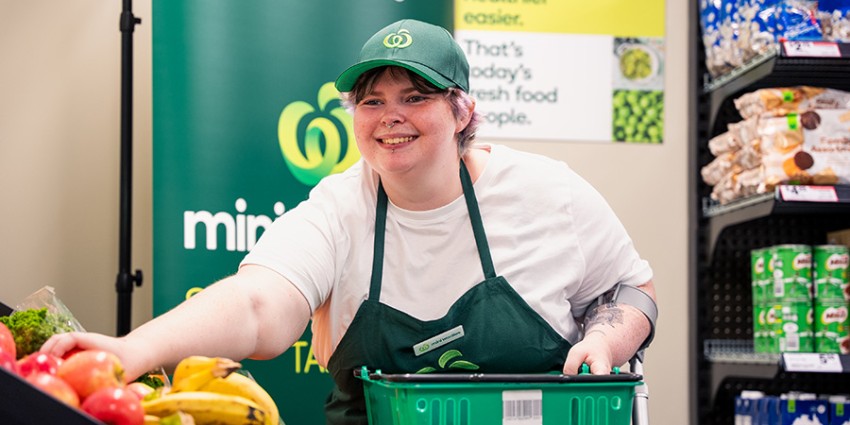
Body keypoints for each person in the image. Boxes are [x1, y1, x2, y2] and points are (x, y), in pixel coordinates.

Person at [42, 19, 657, 423]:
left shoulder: (549, 194)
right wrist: (131, 350)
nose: (391, 116)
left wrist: (605, 339)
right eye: (372, 101)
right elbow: (259, 303)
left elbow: (633, 290)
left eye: (415, 97)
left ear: (463, 109)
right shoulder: (338, 210)